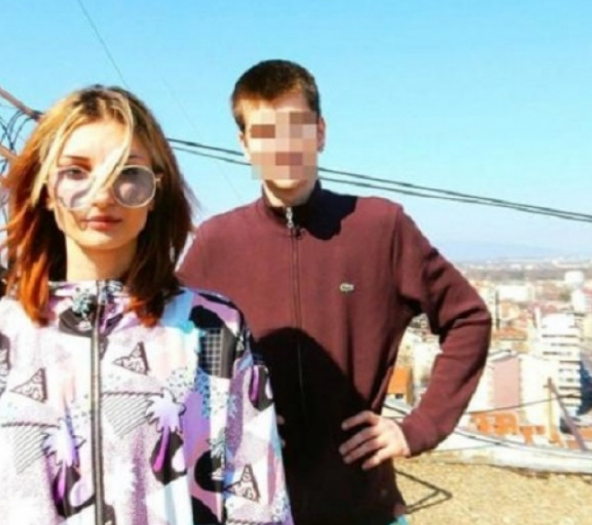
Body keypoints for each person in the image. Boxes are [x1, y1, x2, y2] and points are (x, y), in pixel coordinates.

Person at [0, 85, 293, 525]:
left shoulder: (213, 329)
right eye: (76, 171)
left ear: (156, 190)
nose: (103, 193)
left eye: (128, 172)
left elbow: (257, 498)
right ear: (46, 189)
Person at [178, 60, 492, 525]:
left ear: (320, 133)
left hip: (364, 508)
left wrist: (419, 427)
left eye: (296, 128)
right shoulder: (216, 243)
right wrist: (227, 418)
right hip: (249, 509)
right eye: (264, 133)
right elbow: (172, 349)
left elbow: (468, 319)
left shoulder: (380, 227)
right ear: (244, 145)